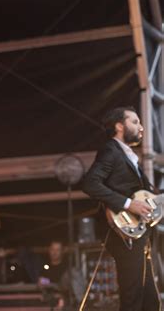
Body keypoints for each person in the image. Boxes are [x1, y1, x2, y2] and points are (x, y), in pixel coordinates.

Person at [82, 106, 161, 311]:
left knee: (150, 302)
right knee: (133, 297)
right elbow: (90, 183)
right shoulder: (111, 150)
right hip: (123, 231)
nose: (141, 127)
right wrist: (128, 204)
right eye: (134, 122)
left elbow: (148, 195)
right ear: (119, 126)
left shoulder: (128, 157)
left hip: (138, 234)